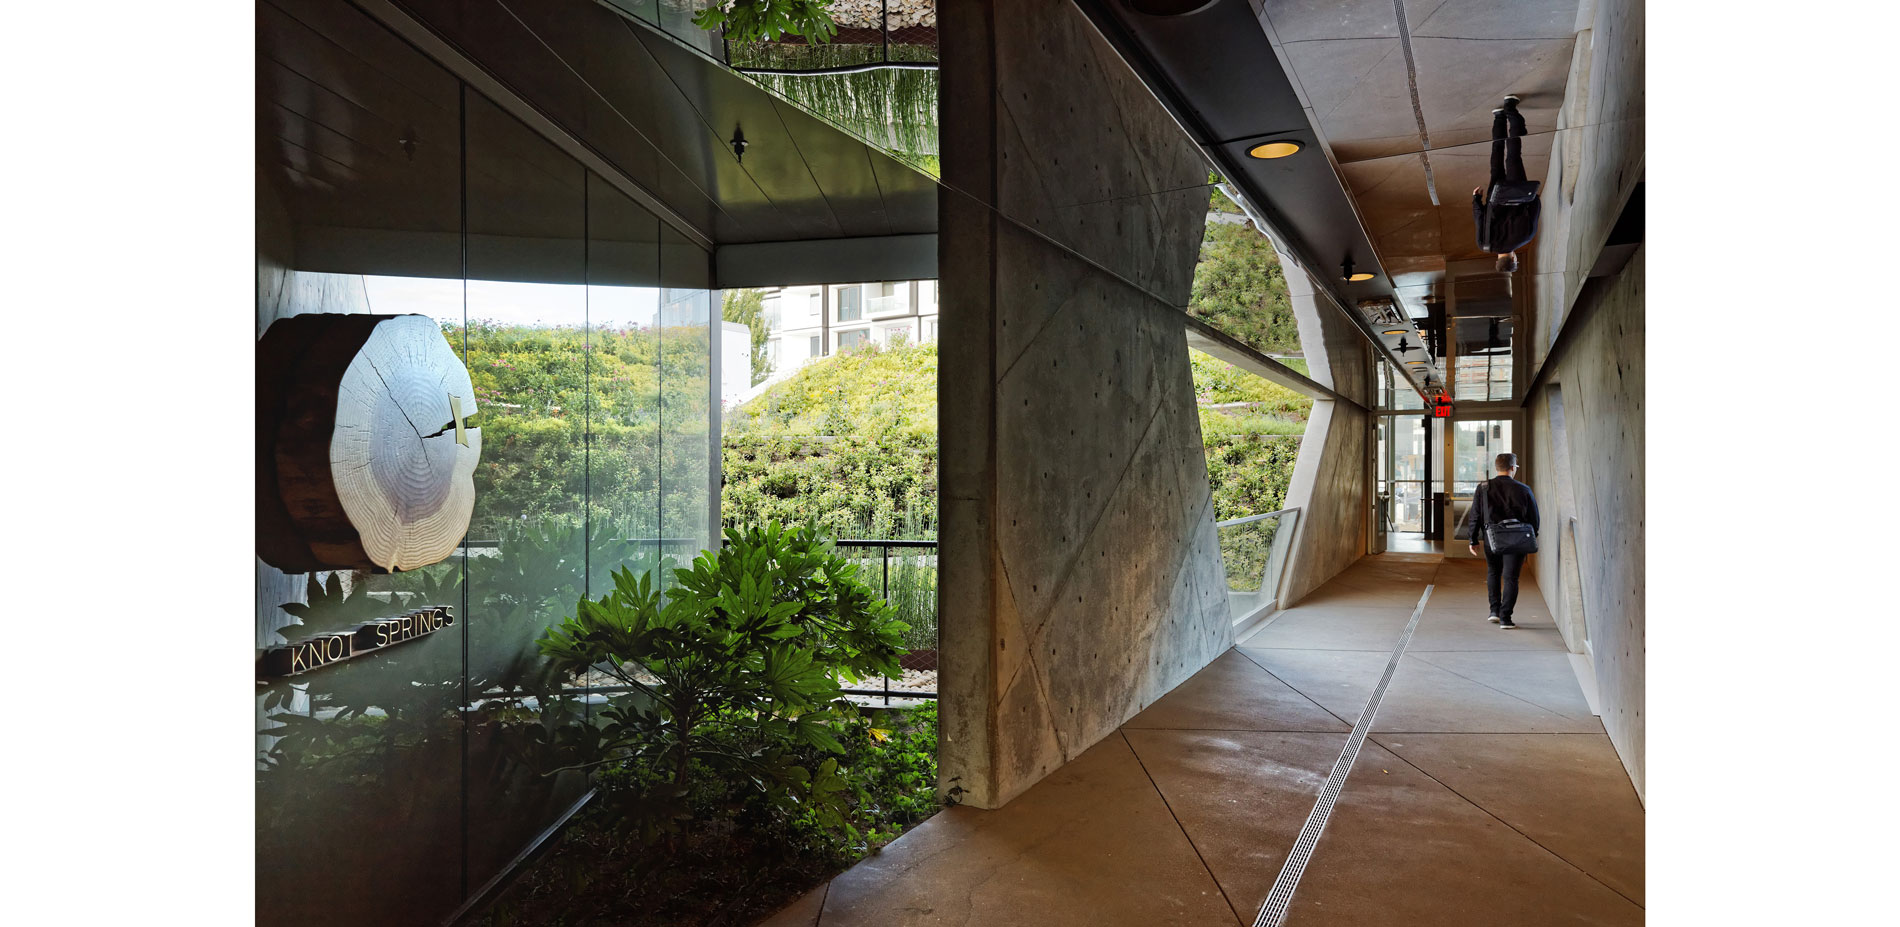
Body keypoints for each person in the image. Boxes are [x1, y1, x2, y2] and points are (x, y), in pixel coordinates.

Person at [1465, 452, 1539, 629]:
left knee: (1493, 572)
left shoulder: (1483, 488)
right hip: (1517, 539)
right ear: (1513, 468)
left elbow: (1475, 515)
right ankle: (1506, 618)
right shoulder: (1524, 489)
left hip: (1492, 539)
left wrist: (1472, 539)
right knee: (1511, 578)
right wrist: (1533, 536)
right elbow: (1534, 517)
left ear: (1497, 467)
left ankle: (1494, 612)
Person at [1472, 95, 1541, 274]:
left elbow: (1534, 209)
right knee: (1496, 161)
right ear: (1498, 260)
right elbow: (1479, 218)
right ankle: (1499, 117)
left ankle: (1511, 109)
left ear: (1514, 257)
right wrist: (1476, 199)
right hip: (1495, 195)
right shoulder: (1484, 245)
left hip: (1517, 193)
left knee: (1513, 156)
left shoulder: (1525, 238)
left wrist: (1532, 196)